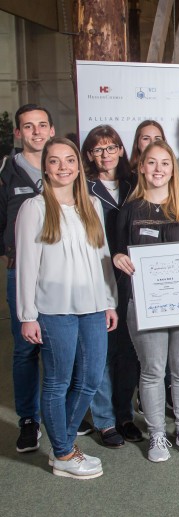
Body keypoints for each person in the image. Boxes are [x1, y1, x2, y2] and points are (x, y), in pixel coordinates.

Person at [16, 137, 118, 478]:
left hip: (92, 305)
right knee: (58, 382)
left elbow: (102, 256)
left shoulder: (91, 204)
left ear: (78, 165)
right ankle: (62, 452)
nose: (63, 167)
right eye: (56, 161)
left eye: (69, 160)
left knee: (89, 379)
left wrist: (109, 301)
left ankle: (64, 442)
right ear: (45, 166)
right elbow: (27, 265)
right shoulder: (35, 208)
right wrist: (27, 315)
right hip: (54, 309)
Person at [113, 140, 179, 461]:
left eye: (165, 163)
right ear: (141, 167)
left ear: (174, 168)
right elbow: (116, 250)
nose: (158, 169)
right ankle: (157, 435)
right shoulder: (129, 210)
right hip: (144, 305)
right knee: (153, 369)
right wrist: (117, 258)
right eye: (152, 163)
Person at [81, 125, 141, 448]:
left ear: (121, 149)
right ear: (90, 155)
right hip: (99, 275)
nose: (106, 154)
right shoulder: (83, 188)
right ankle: (104, 420)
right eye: (98, 149)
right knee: (102, 351)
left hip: (134, 276)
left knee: (129, 349)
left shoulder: (135, 184)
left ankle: (125, 413)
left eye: (111, 147)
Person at [1, 104, 55, 454]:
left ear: (52, 130)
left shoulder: (66, 167)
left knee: (61, 347)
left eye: (42, 125)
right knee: (25, 350)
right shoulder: (7, 172)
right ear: (18, 133)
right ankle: (28, 420)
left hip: (61, 274)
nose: (36, 132)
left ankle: (62, 415)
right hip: (21, 272)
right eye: (28, 127)